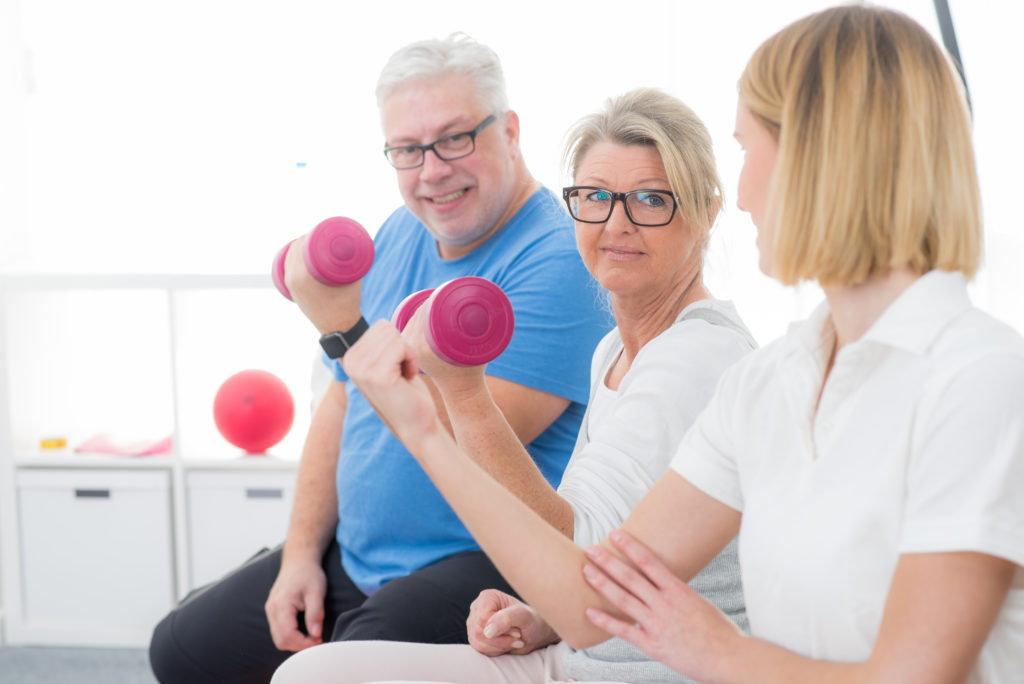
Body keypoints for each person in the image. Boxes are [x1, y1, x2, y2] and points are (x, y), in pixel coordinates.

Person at [308, 5, 1024, 683]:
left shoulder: (978, 380)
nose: (740, 195)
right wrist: (426, 427)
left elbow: (916, 675)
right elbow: (592, 603)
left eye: (748, 150)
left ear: (826, 159)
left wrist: (717, 652)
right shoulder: (774, 379)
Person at [148, 34, 612, 684]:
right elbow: (342, 400)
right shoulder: (402, 231)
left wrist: (340, 325)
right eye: (407, 149)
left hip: (483, 560)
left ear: (508, 130)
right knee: (183, 648)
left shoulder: (561, 257)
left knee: (339, 671)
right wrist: (301, 556)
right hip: (362, 556)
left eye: (455, 138)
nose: (432, 171)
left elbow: (463, 444)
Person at [272, 89, 756, 683]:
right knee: (312, 673)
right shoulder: (616, 349)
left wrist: (460, 388)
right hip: (584, 646)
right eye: (596, 197)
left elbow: (570, 547)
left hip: (640, 669)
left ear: (707, 212)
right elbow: (599, 553)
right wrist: (539, 617)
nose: (616, 225)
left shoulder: (697, 356)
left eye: (652, 199)